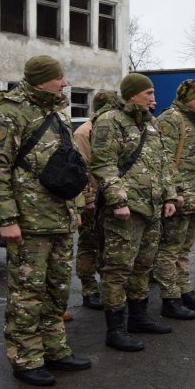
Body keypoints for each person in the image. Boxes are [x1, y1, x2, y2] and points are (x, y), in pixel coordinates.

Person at [0, 55, 91, 386]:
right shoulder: (10, 112)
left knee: (57, 289)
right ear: (41, 79)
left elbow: (70, 163)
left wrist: (76, 207)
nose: (65, 83)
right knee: (27, 294)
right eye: (59, 78)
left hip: (60, 218)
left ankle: (54, 349)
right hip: (29, 222)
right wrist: (6, 218)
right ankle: (26, 358)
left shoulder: (57, 112)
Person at [91, 73, 178, 352]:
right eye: (148, 93)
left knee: (143, 265)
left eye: (153, 93)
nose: (154, 98)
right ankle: (115, 329)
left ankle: (139, 317)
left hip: (151, 207)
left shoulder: (151, 124)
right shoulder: (110, 121)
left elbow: (163, 163)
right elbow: (103, 164)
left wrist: (169, 195)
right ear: (131, 95)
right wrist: (118, 201)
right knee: (118, 269)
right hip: (126, 209)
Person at [153, 79, 195, 320]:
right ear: (188, 98)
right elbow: (164, 160)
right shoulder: (171, 119)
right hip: (179, 197)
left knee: (185, 248)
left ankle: (185, 290)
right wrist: (173, 192)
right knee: (170, 249)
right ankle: (170, 298)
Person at [73, 90, 122, 311]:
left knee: (107, 246)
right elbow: (81, 168)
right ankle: (89, 289)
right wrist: (88, 198)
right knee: (88, 246)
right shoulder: (84, 132)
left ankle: (105, 287)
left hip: (109, 197)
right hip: (93, 198)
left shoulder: (111, 128)